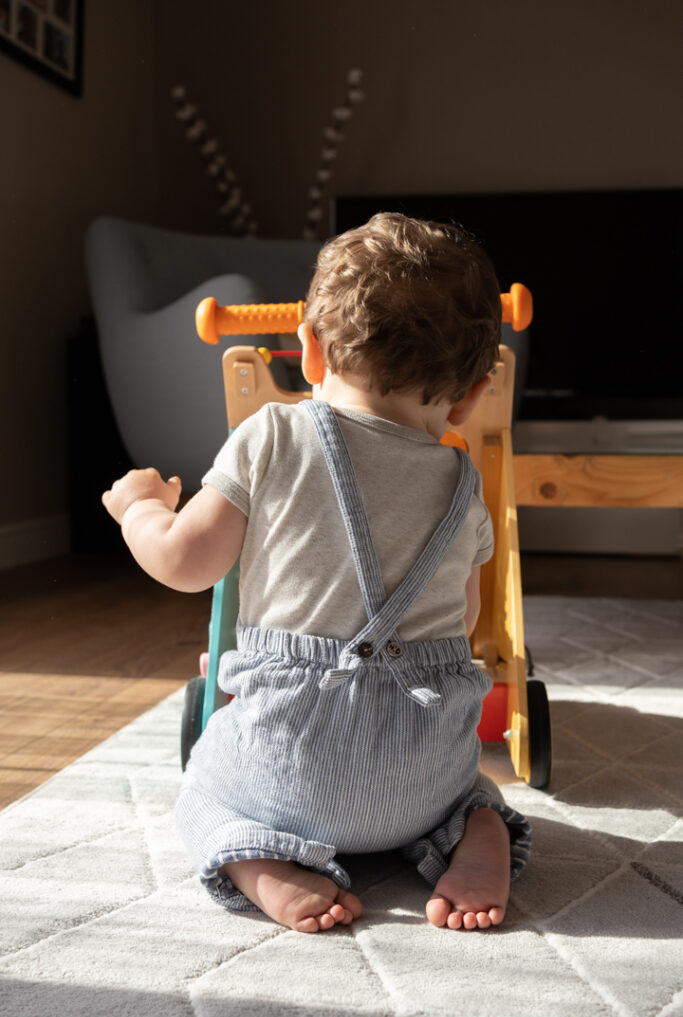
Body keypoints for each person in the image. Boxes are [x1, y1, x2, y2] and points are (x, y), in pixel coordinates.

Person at [102, 212, 531, 935]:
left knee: (201, 785)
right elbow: (457, 622)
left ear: (307, 351)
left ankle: (259, 861)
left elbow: (183, 562)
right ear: (469, 394)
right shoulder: (464, 484)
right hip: (419, 778)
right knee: (473, 791)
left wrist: (140, 510)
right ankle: (477, 834)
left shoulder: (269, 434)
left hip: (290, 770)